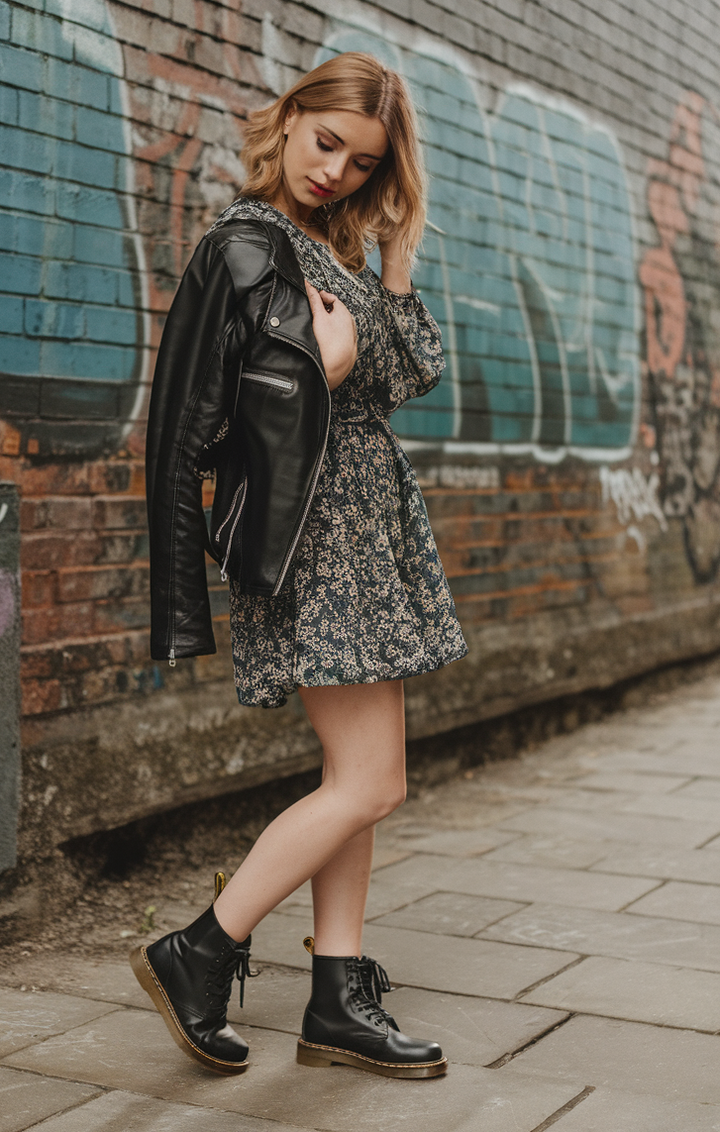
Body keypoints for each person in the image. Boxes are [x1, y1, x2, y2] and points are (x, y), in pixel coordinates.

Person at [133, 52, 468, 1080]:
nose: (335, 172)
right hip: (315, 537)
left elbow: (410, 370)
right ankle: (200, 949)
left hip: (363, 535)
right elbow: (202, 418)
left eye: (361, 164)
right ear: (287, 119)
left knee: (356, 780)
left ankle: (335, 994)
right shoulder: (245, 246)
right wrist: (319, 375)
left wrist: (393, 265)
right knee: (372, 782)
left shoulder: (326, 247)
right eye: (325, 142)